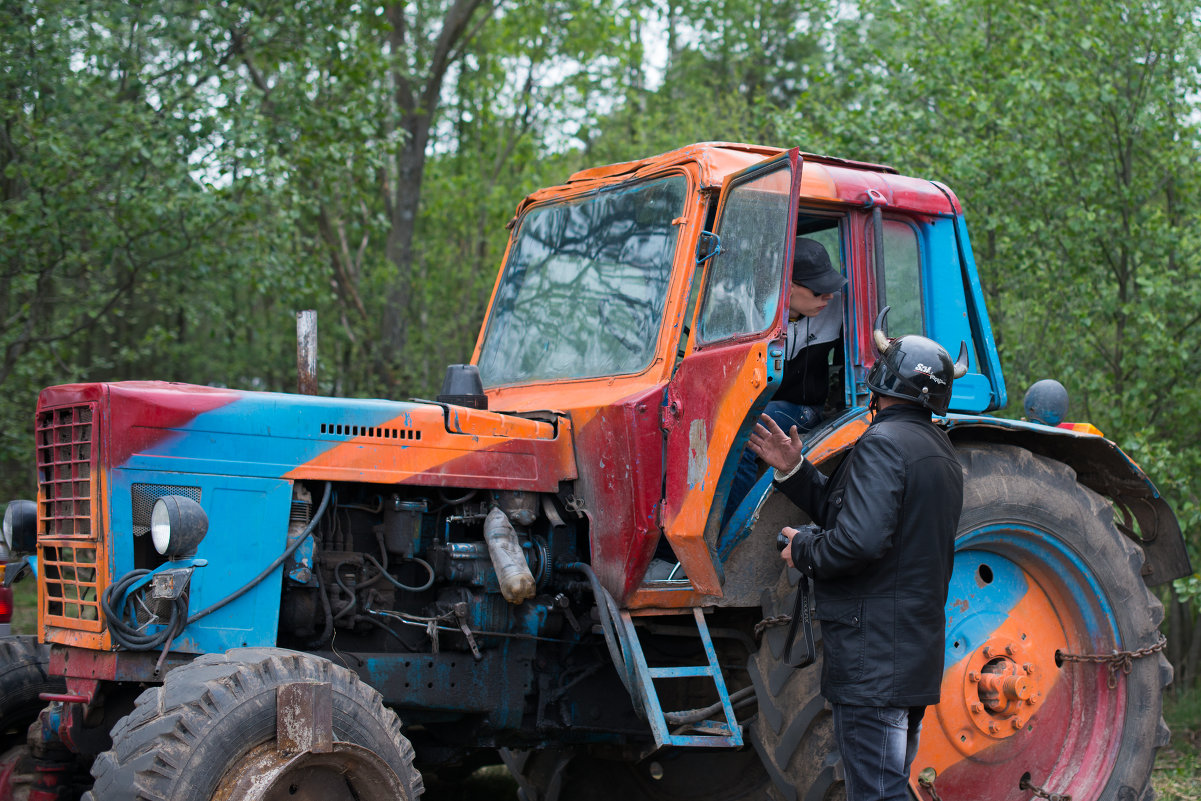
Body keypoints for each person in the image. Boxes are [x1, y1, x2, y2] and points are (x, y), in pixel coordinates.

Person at [748, 313, 968, 801]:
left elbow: (860, 541)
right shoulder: (939, 452)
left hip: (874, 661)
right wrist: (795, 469)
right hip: (908, 657)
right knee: (886, 784)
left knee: (877, 792)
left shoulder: (883, 444)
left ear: (882, 384)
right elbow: (859, 514)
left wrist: (803, 547)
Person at [722, 237, 845, 526]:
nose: (827, 297)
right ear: (787, 286)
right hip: (754, 401)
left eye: (831, 288)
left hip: (802, 407)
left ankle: (728, 536)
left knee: (746, 434)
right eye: (819, 290)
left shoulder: (836, 308)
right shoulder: (749, 311)